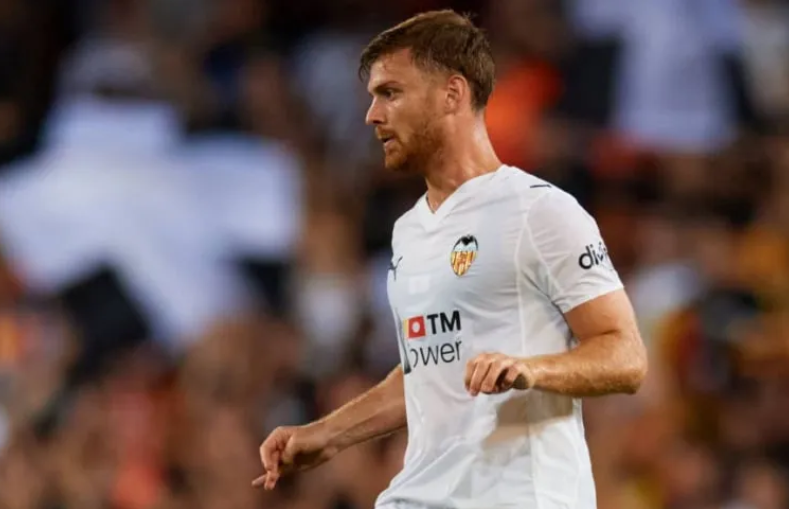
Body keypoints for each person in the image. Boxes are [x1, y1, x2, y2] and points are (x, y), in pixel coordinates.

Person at [253, 9, 648, 509]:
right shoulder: (409, 232)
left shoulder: (538, 211)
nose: (372, 115)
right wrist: (325, 435)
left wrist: (533, 370)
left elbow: (626, 356)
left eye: (390, 93)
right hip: (419, 496)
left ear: (452, 94)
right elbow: (427, 374)